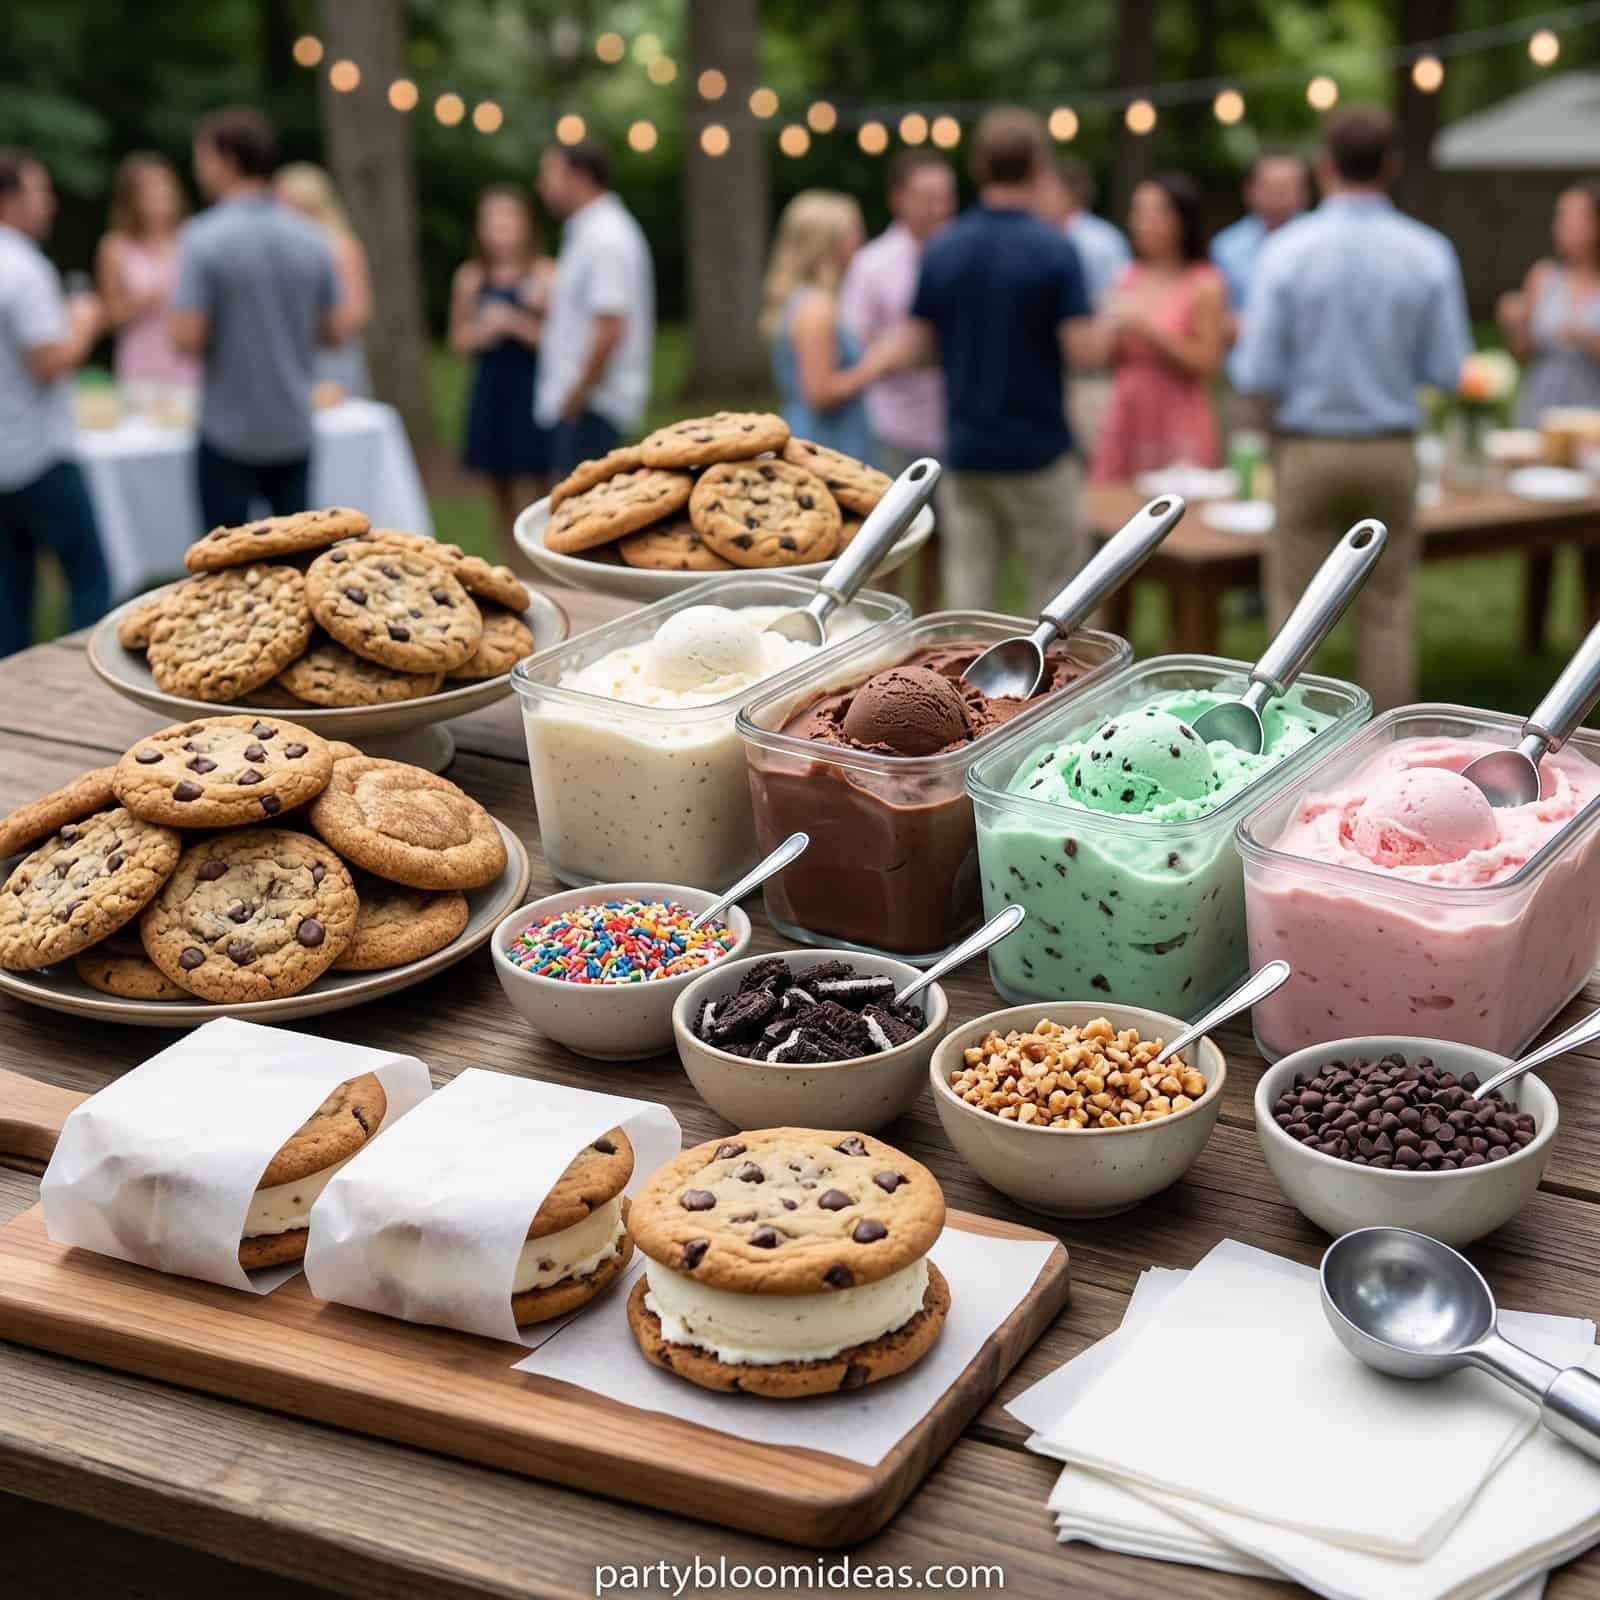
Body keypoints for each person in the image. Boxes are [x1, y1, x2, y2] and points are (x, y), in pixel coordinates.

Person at [1233, 105, 1471, 711]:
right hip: (1390, 445)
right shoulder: (1429, 251)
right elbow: (1449, 369)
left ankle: (1287, 744)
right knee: (1388, 609)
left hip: (1308, 446)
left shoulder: (1287, 249)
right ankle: (1381, 744)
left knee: (1295, 612)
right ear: (1391, 166)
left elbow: (1255, 370)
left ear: (1323, 166)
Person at [890, 107, 1098, 612]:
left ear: (979, 166)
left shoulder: (942, 249)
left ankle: (962, 691)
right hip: (1040, 449)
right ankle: (1056, 690)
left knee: (969, 595)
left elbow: (918, 347)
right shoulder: (1055, 249)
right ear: (1037, 165)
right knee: (1057, 594)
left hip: (966, 446)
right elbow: (1084, 352)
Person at [170, 108, 340, 531]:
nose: (198, 169)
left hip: (229, 430)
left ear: (227, 159)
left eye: (203, 157)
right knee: (296, 557)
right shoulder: (312, 237)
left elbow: (188, 338)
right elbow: (335, 331)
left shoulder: (202, 237)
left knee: (222, 568)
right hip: (294, 424)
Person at [0, 148, 111, 657]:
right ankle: (84, 687)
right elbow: (48, 361)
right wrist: (85, 319)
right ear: (11, 197)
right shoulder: (22, 268)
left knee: (10, 591)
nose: (49, 204)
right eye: (40, 191)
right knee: (89, 578)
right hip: (38, 454)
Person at [839, 150, 957, 611]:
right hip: (891, 422)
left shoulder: (961, 254)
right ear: (898, 199)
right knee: (888, 542)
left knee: (941, 541)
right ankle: (888, 624)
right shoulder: (873, 263)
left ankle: (928, 619)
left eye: (946, 197)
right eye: (928, 197)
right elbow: (855, 338)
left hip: (951, 419)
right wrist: (900, 353)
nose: (939, 208)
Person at [1089, 172, 1227, 482]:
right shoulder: (1128, 276)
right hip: (1128, 411)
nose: (1143, 222)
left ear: (1183, 220)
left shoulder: (1204, 283)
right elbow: (1107, 355)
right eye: (1138, 211)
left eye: (1156, 212)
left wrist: (1148, 330)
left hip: (1177, 415)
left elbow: (1207, 363)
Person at [534, 139, 653, 477]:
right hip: (583, 402)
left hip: (594, 405)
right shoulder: (588, 231)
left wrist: (576, 395)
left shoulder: (606, 237)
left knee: (581, 518)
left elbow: (610, 325)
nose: (541, 185)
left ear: (579, 176)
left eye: (549, 174)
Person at [449, 184, 555, 563]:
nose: (500, 228)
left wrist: (516, 324)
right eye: (492, 220)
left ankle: (547, 558)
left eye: (508, 218)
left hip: (532, 388)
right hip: (492, 388)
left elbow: (560, 343)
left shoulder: (545, 274)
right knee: (499, 486)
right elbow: (457, 340)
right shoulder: (471, 277)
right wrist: (483, 332)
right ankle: (511, 562)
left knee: (543, 482)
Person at [761, 190, 888, 466]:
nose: (860, 242)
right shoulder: (816, 307)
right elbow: (821, 393)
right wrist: (880, 363)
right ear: (828, 241)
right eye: (852, 232)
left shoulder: (805, 300)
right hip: (826, 445)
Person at [1034, 156, 1129, 463]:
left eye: (1043, 188)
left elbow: (1114, 306)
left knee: (1096, 466)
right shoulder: (1045, 238)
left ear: (1067, 193)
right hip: (1054, 380)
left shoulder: (1099, 242)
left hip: (1089, 380)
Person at [1212, 148, 1309, 436]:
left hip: (1304, 388)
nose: (1278, 196)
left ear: (1303, 193)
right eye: (1271, 187)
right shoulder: (1227, 247)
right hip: (1246, 387)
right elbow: (1214, 317)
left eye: (1287, 188)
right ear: (1250, 192)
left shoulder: (1320, 245)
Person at [1498, 181, 1600, 426]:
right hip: (1541, 410)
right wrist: (1515, 325)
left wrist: (1587, 339)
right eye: (1559, 218)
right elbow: (1522, 354)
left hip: (1592, 416)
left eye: (1571, 218)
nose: (1559, 226)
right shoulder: (1543, 276)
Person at [95, 151, 197, 391]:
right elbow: (110, 318)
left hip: (188, 360)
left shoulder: (193, 238)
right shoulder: (115, 246)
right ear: (132, 198)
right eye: (150, 191)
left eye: (165, 187)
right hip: (140, 357)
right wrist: (144, 300)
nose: (161, 196)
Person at [273, 161, 372, 400]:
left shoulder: (341, 248)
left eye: (282, 204)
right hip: (290, 357)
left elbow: (359, 311)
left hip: (332, 359)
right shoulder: (279, 252)